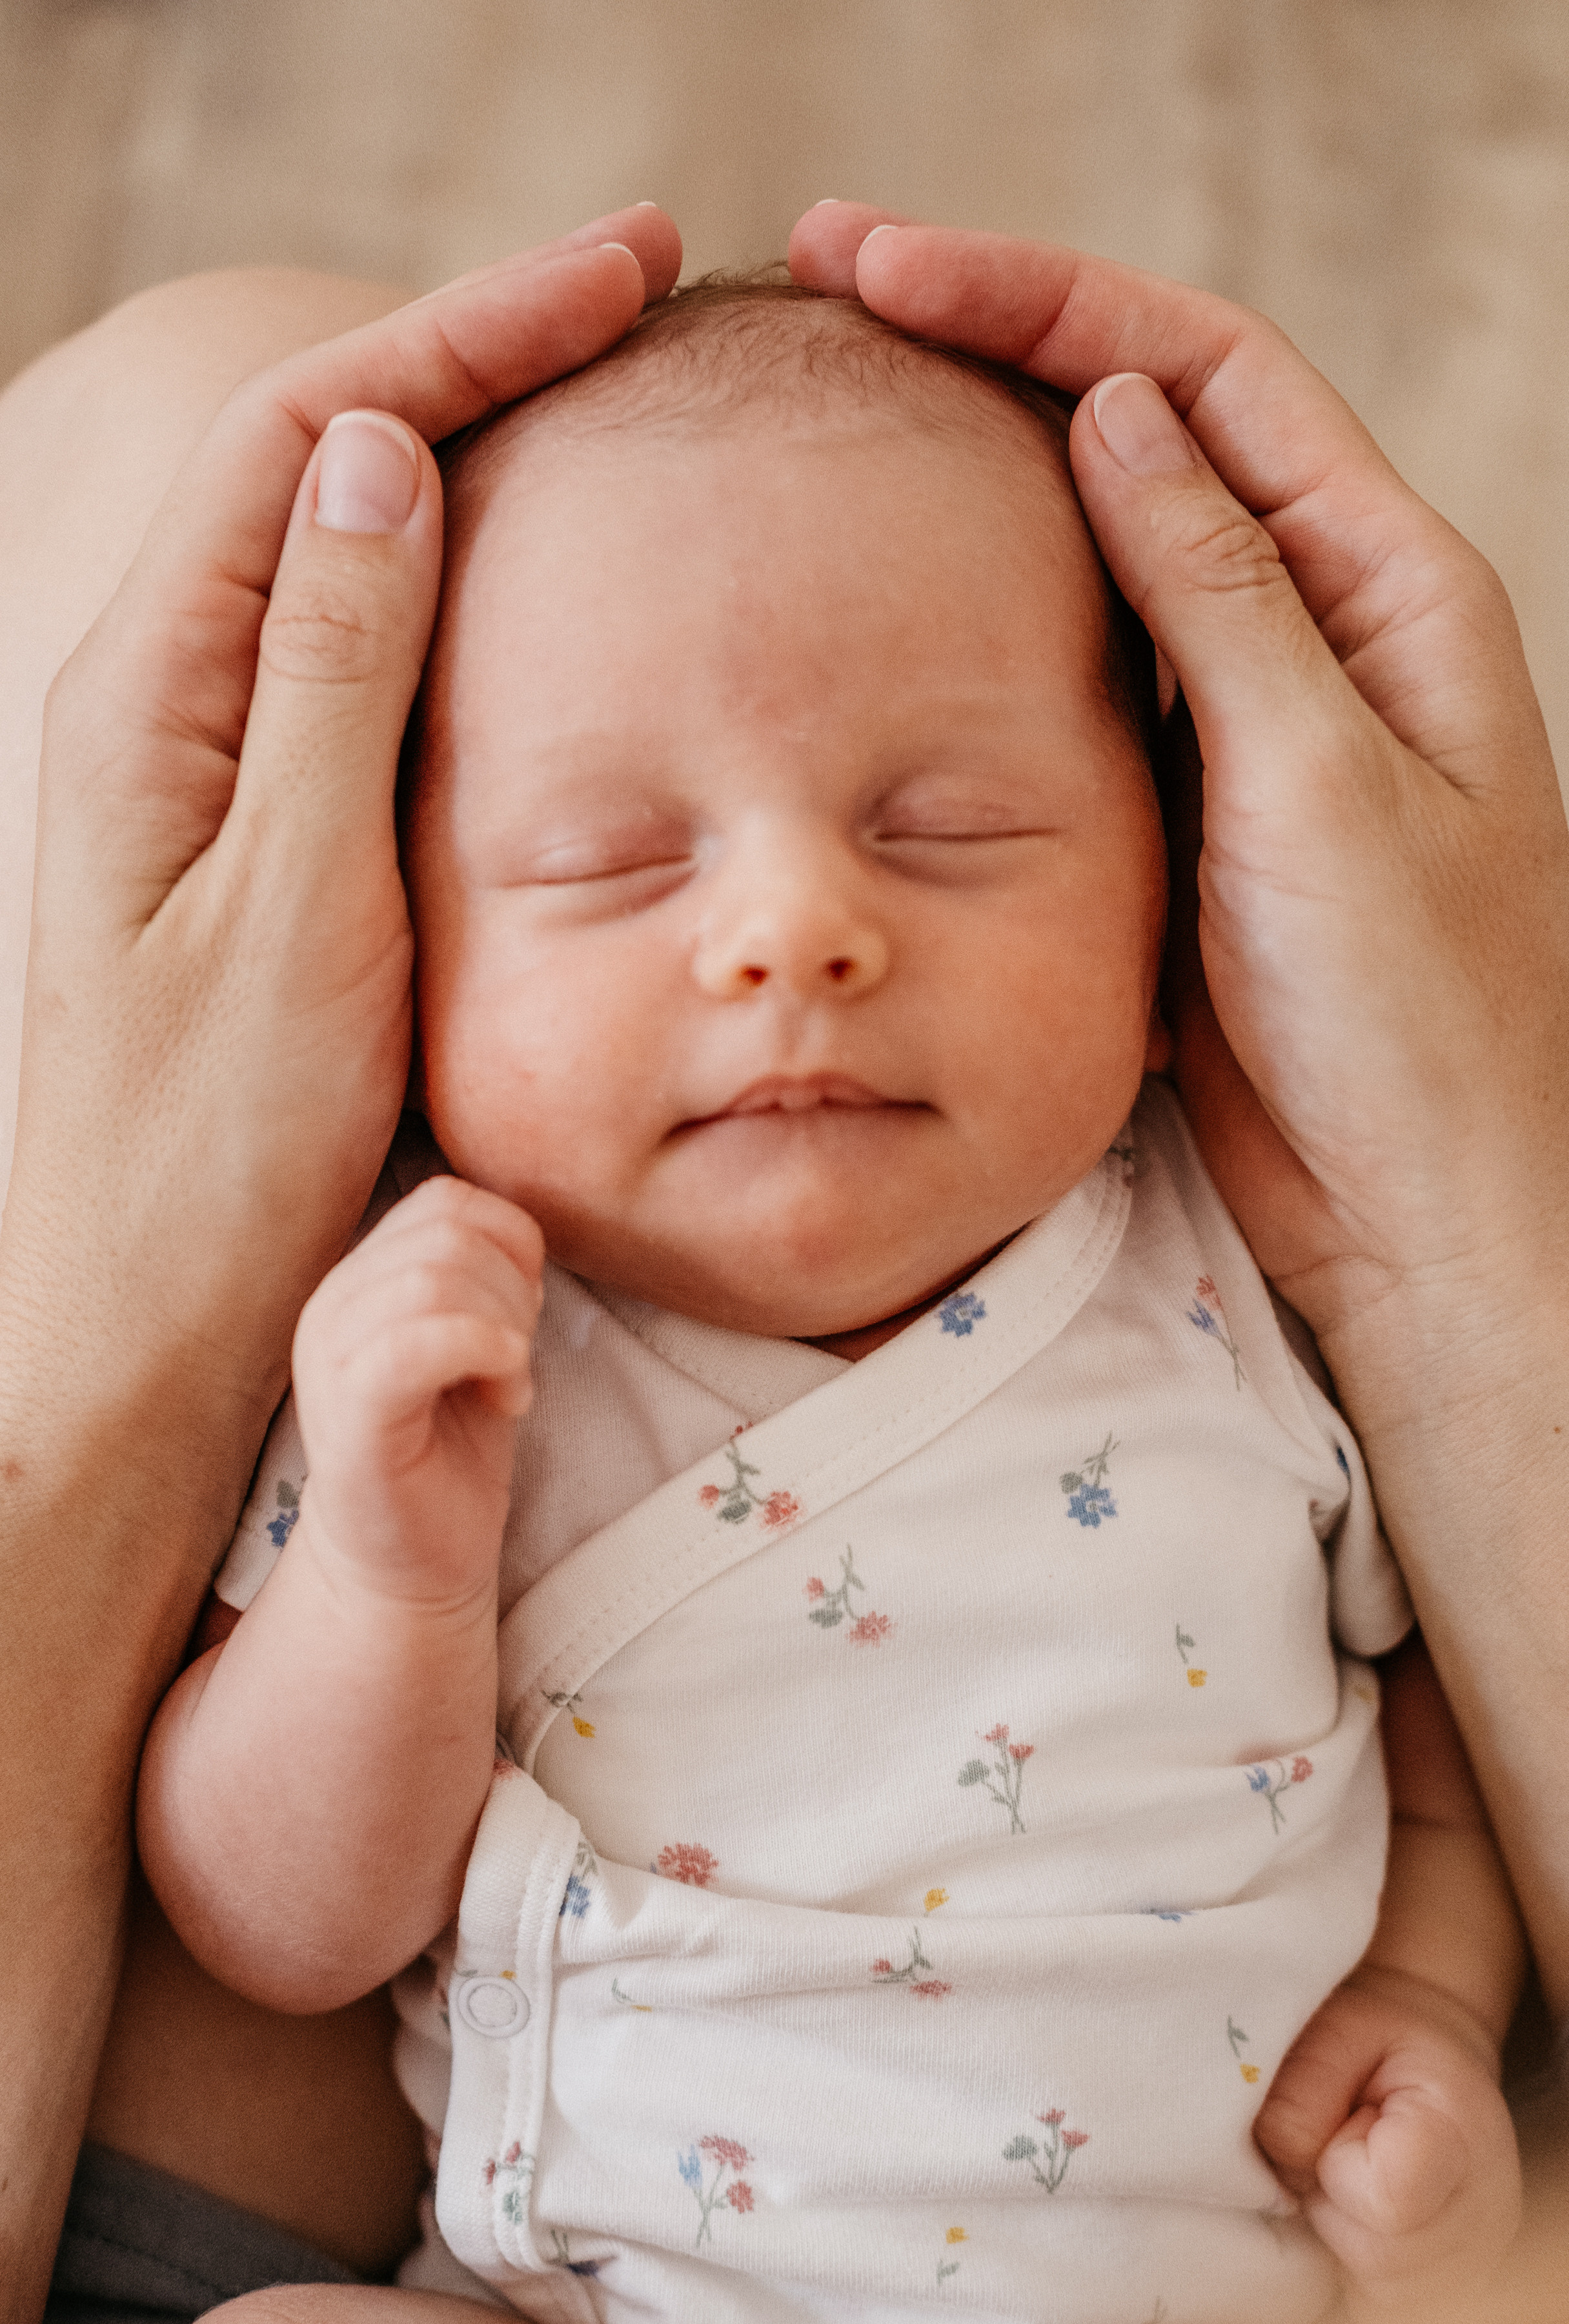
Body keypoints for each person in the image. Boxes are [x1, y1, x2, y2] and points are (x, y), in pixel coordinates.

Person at [0, 201, 1563, 2322]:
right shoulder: (449, 1348)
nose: (792, 933)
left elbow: (1435, 1725)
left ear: (1183, 898)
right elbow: (282, 1931)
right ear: (398, 974)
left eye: (949, 830)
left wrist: (1441, 1995)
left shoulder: (1241, 1268)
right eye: (607, 862)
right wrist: (388, 1579)